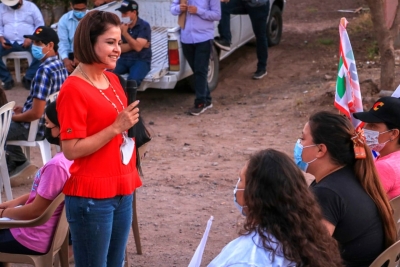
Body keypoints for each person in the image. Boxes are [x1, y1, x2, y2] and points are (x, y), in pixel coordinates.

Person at [57, 10, 141, 267]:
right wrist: (115, 128)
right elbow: (71, 149)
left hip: (122, 189)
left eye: (118, 42)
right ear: (88, 42)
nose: (118, 49)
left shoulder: (113, 79)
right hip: (92, 197)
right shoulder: (73, 89)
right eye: (110, 42)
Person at [209, 149, 343, 267]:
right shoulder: (309, 241)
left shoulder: (248, 259)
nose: (237, 186)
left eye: (241, 180)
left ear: (255, 194)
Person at [296, 111, 396, 266]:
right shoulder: (353, 176)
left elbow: (309, 256)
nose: (298, 144)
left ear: (321, 150)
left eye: (303, 139)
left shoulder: (328, 194)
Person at [0, 101, 72, 267]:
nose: (46, 128)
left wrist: (5, 213)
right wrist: (8, 205)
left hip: (30, 236)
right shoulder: (71, 159)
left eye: (48, 123)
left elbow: (35, 210)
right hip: (42, 233)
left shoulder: (56, 166)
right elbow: (43, 194)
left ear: (62, 128)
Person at [5, 26, 68, 177]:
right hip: (48, 123)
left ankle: (16, 163)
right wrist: (24, 110)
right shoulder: (60, 66)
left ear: (51, 45)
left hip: (34, 128)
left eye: (39, 43)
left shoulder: (44, 70)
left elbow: (36, 113)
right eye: (34, 43)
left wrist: (11, 117)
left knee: (3, 125)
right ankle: (19, 163)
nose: (35, 47)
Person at [171, 0, 220, 115]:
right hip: (186, 38)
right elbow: (172, 9)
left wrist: (199, 11)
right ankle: (207, 100)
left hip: (203, 38)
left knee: (200, 70)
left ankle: (200, 102)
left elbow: (217, 15)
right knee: (197, 71)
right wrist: (179, 8)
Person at [353, 96, 400, 200]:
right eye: (366, 125)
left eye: (373, 126)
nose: (364, 130)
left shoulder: (385, 167)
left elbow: (359, 204)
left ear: (393, 133)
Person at [214, 0, 269, 80]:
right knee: (223, 6)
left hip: (259, 6)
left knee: (260, 37)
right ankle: (226, 40)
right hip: (246, 3)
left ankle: (262, 68)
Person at [0, 0, 44, 90]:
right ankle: (7, 79)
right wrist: (1, 39)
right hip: (8, 41)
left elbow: (40, 26)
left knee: (41, 52)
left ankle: (29, 77)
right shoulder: (1, 7)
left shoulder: (31, 7)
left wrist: (32, 37)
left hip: (29, 40)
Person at [113, 0, 152, 87]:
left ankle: (130, 100)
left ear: (134, 12)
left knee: (132, 81)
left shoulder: (144, 26)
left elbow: (138, 48)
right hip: (124, 59)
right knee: (107, 73)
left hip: (141, 60)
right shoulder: (120, 26)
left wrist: (125, 34)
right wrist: (136, 45)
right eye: (122, 13)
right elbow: (119, 48)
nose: (123, 16)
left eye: (125, 13)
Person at [58, 0, 88, 73]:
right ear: (71, 5)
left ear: (86, 6)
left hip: (89, 54)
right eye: (77, 9)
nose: (80, 12)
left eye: (83, 9)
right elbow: (63, 43)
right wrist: (66, 60)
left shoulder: (93, 17)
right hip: (71, 56)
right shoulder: (64, 20)